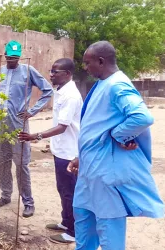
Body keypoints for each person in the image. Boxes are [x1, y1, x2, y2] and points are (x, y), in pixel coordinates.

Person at [67, 41, 164, 250]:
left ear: (101, 61)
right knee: (83, 228)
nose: (85, 67)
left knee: (109, 233)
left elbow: (141, 117)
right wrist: (80, 157)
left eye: (87, 63)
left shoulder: (117, 84)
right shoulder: (104, 83)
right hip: (88, 173)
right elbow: (95, 127)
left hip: (105, 175)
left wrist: (118, 135)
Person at [18, 58, 82, 244]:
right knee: (63, 189)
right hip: (60, 150)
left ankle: (73, 232)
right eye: (51, 71)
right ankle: (65, 222)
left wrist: (35, 136)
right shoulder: (61, 91)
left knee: (69, 191)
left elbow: (62, 127)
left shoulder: (71, 95)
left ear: (68, 74)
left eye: (56, 72)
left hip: (69, 154)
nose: (51, 74)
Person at [0, 40, 53, 218]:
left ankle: (28, 202)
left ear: (19, 56)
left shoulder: (28, 71)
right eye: (9, 57)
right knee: (2, 162)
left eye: (15, 57)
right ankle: (5, 195)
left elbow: (48, 91)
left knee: (21, 164)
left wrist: (32, 111)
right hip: (0, 124)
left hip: (18, 123)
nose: (12, 60)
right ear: (4, 55)